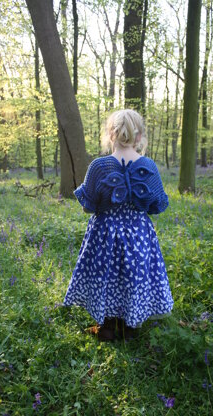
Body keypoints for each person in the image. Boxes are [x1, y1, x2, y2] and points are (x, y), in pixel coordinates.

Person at [63, 109, 174, 341]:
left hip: (105, 232)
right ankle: (130, 326)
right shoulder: (149, 166)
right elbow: (158, 205)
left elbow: (88, 206)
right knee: (133, 274)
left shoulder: (99, 166)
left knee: (106, 274)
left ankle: (106, 325)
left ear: (109, 135)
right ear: (139, 136)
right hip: (139, 234)